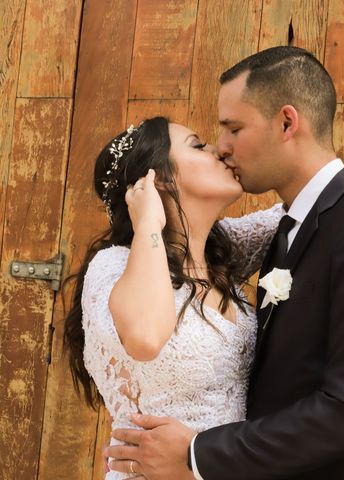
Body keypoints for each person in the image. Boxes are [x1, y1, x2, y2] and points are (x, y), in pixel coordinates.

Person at [105, 46, 344, 480]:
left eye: (233, 128)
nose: (222, 147)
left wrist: (198, 454)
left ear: (287, 122)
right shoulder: (291, 228)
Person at [63, 117, 287, 480]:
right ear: (158, 179)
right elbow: (146, 337)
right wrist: (149, 224)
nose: (219, 151)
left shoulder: (221, 252)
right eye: (198, 146)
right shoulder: (114, 264)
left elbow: (315, 207)